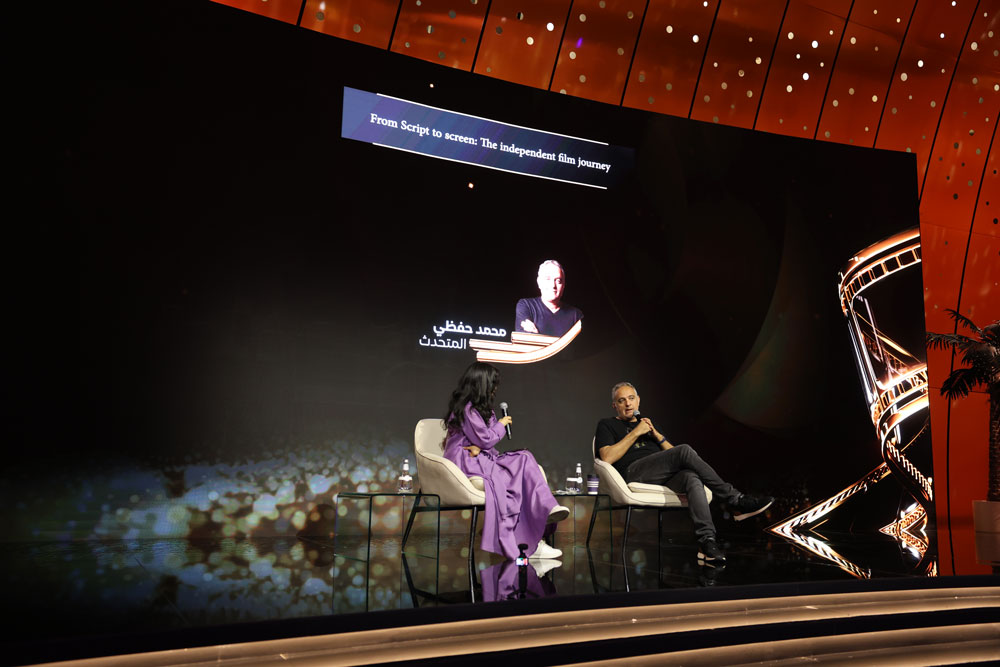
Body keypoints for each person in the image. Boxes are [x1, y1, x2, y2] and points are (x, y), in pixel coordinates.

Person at [594, 382, 774, 563]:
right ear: (614, 405)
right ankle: (735, 500)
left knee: (691, 477)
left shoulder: (648, 424)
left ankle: (707, 542)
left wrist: (658, 436)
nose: (628, 403)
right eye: (622, 400)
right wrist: (635, 432)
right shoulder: (607, 424)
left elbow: (677, 456)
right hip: (633, 472)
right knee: (685, 450)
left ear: (638, 400)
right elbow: (606, 457)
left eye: (631, 398)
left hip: (659, 474)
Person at [444, 362, 569, 560]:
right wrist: (501, 425)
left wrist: (484, 440)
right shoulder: (468, 409)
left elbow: (484, 441)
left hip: (483, 455)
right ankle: (529, 541)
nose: (495, 388)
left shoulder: (484, 410)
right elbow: (486, 439)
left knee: (524, 457)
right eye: (493, 384)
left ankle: (545, 513)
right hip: (468, 460)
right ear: (482, 384)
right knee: (515, 477)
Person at [515, 260, 583, 336]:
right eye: (548, 279)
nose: (553, 285)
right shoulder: (527, 306)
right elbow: (525, 339)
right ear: (539, 282)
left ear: (563, 285)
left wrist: (536, 335)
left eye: (558, 281)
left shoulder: (576, 315)